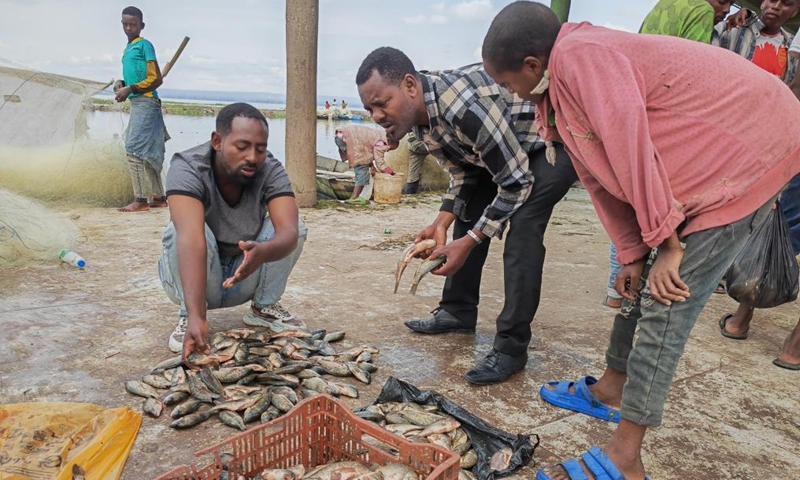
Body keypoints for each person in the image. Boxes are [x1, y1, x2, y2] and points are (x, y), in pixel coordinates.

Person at [481, 2, 800, 479]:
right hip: (707, 156)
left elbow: (631, 144)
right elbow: (599, 177)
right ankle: (613, 385)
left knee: (666, 306)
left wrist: (668, 244)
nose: (511, 95)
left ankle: (624, 457)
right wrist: (634, 251)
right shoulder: (559, 91)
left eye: (507, 84)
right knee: (639, 282)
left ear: (532, 65)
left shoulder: (582, 56)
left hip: (750, 149)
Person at [356, 47, 578, 385]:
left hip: (550, 145)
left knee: (522, 229)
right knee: (467, 211)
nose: (376, 115)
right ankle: (457, 311)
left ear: (410, 85)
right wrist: (441, 222)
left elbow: (517, 183)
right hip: (509, 155)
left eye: (381, 103)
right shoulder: (420, 120)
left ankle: (510, 349)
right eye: (369, 108)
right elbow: (465, 174)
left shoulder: (462, 107)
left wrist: (472, 241)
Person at [600, 0, 734, 309]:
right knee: (661, 201)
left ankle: (614, 290)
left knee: (631, 202)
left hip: (640, 109)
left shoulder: (666, 4)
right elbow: (692, 70)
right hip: (668, 114)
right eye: (724, 1)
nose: (725, 9)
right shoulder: (700, 10)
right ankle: (649, 283)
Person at [158, 103, 307, 359]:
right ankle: (188, 313)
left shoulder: (270, 169)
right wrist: (196, 315)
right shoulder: (187, 167)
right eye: (242, 147)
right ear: (217, 141)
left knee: (298, 225)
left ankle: (263, 307)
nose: (253, 157)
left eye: (260, 149)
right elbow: (191, 240)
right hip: (200, 278)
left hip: (244, 274)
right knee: (179, 229)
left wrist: (264, 251)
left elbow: (289, 232)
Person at [712, 0, 800, 370]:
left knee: (778, 227)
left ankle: (740, 318)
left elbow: (796, 86)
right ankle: (794, 348)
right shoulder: (739, 31)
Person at [114, 6, 170, 213]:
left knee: (133, 149)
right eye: (125, 24)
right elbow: (134, 75)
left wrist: (131, 88)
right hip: (139, 102)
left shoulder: (145, 45)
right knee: (148, 152)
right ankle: (159, 197)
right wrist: (121, 83)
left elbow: (156, 78)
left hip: (146, 101)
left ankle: (140, 199)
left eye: (133, 24)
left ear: (141, 25)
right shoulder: (128, 48)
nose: (129, 27)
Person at [712, 0, 798, 84]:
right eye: (772, 0)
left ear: (794, 11)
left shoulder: (794, 50)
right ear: (763, 3)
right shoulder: (731, 27)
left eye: (786, 3)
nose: (776, 6)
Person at [334, 124, 394, 205]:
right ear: (389, 142)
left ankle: (357, 197)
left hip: (341, 135)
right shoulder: (382, 143)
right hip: (348, 139)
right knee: (362, 168)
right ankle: (354, 198)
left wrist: (372, 166)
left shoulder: (379, 134)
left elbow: (366, 153)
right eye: (389, 149)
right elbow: (380, 162)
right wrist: (390, 172)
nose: (388, 151)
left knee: (362, 163)